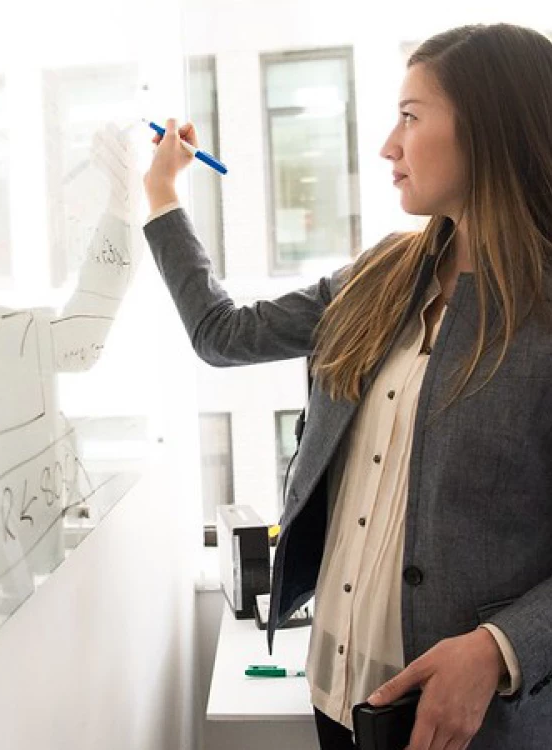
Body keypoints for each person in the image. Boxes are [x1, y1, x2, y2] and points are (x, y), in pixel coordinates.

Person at [142, 22, 552, 750]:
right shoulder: (380, 275)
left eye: (410, 116)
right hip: (337, 695)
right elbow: (223, 336)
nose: (388, 146)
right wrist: (163, 197)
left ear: (489, 128)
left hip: (468, 724)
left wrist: (499, 646)